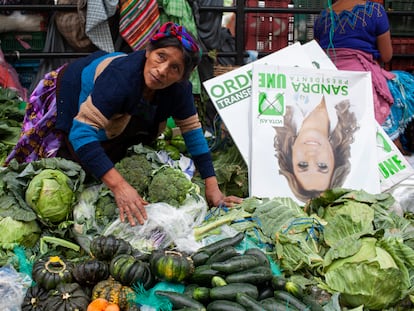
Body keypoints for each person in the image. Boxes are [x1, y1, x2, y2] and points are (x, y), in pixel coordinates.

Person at [5, 21, 243, 226]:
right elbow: (81, 133)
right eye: (161, 57)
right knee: (71, 161)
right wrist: (120, 187)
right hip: (72, 88)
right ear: (149, 51)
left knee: (115, 149)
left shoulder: (179, 90)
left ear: (182, 77)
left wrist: (213, 187)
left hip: (121, 102)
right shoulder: (121, 77)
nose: (162, 71)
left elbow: (193, 134)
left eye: (175, 68)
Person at [313, 0, 414, 155]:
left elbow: (317, 53)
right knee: (405, 83)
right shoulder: (375, 11)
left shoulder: (323, 16)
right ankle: (397, 145)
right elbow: (387, 56)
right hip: (362, 76)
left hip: (329, 80)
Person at [273, 96, 359, 202]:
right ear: (335, 158)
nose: (311, 156)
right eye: (322, 166)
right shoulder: (355, 109)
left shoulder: (277, 109)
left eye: (303, 165)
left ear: (290, 156)